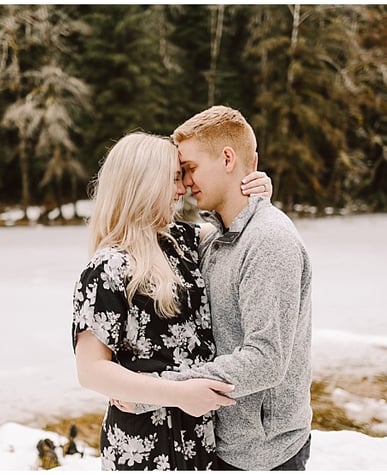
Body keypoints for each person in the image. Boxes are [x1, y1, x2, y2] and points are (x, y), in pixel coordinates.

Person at [117, 106, 314, 470]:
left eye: (189, 169)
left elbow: (266, 360)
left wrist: (156, 393)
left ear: (227, 158)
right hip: (220, 445)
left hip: (264, 457)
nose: (185, 183)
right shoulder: (214, 239)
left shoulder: (269, 241)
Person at [72, 132, 273, 470]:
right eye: (174, 178)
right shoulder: (108, 267)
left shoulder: (183, 240)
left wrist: (255, 194)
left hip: (200, 438)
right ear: (143, 183)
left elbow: (240, 233)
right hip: (143, 446)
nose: (182, 189)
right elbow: (90, 371)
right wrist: (179, 394)